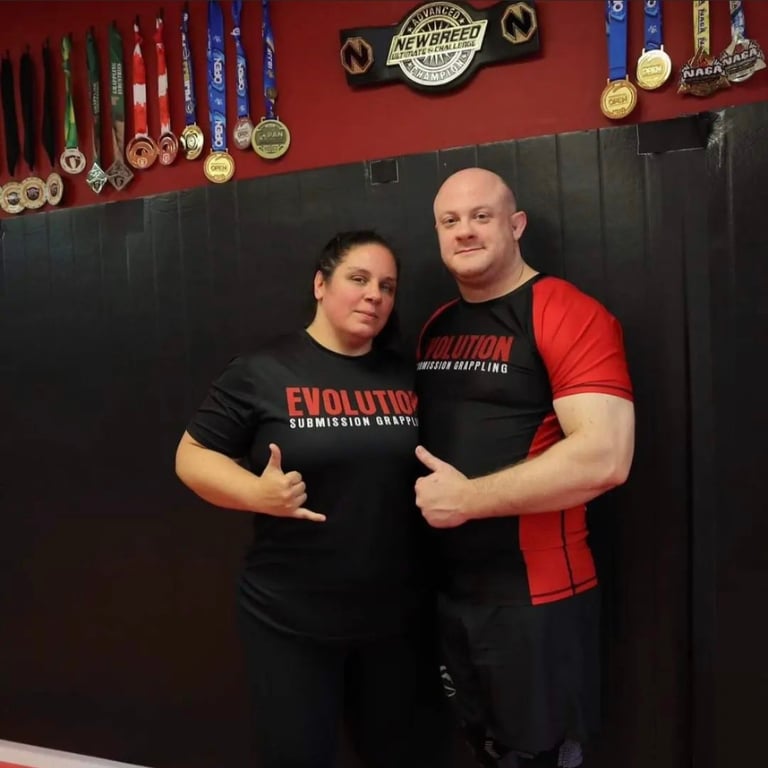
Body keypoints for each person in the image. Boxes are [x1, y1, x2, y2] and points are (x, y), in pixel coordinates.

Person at [175, 231, 446, 768]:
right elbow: (191, 455)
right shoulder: (263, 369)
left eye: (387, 286)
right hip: (290, 617)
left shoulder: (406, 374)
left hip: (393, 618)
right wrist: (256, 493)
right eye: (359, 279)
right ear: (321, 284)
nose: (374, 295)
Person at [414, 168, 635, 768]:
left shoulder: (567, 311)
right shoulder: (437, 326)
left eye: (481, 216)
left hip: (538, 598)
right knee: (480, 749)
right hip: (451, 596)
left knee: (541, 757)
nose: (464, 231)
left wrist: (468, 500)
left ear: (516, 225)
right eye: (450, 221)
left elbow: (607, 457)